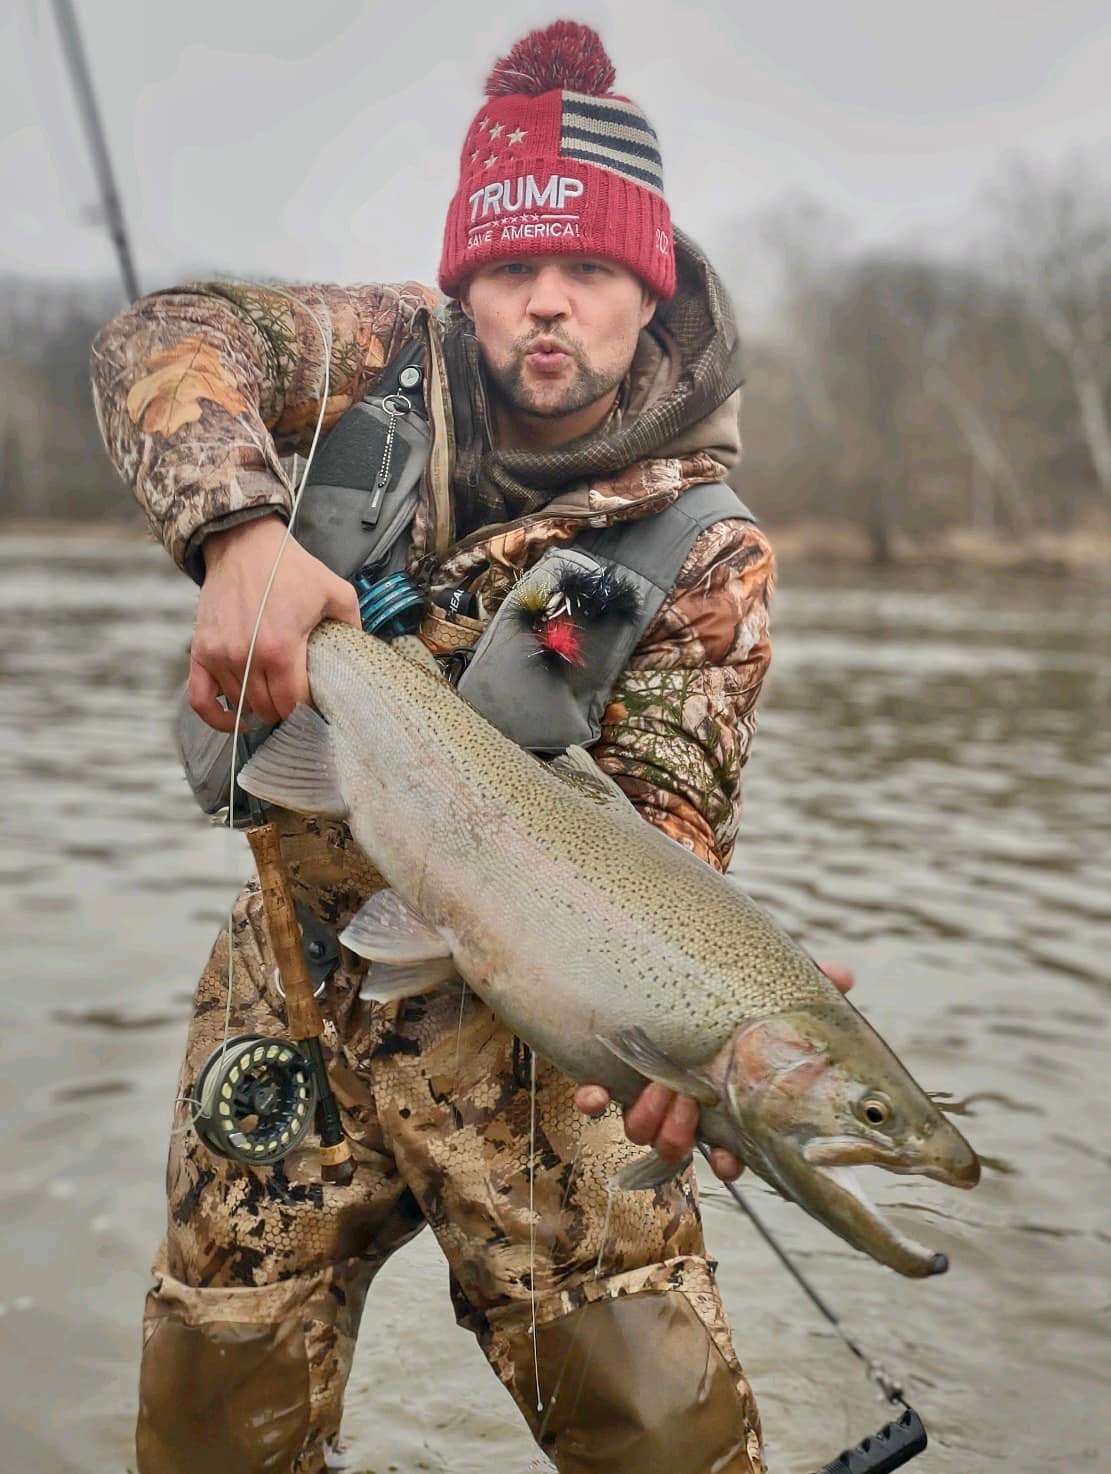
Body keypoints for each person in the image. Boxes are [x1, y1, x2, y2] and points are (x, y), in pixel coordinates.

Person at [92, 21, 850, 1474]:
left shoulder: (711, 555)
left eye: (588, 272)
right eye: (510, 272)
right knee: (206, 1435)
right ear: (467, 282)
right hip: (293, 992)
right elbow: (158, 335)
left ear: (652, 285)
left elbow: (660, 838)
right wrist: (239, 533)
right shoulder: (382, 353)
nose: (545, 307)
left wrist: (696, 1028)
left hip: (534, 1054)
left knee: (665, 1441)